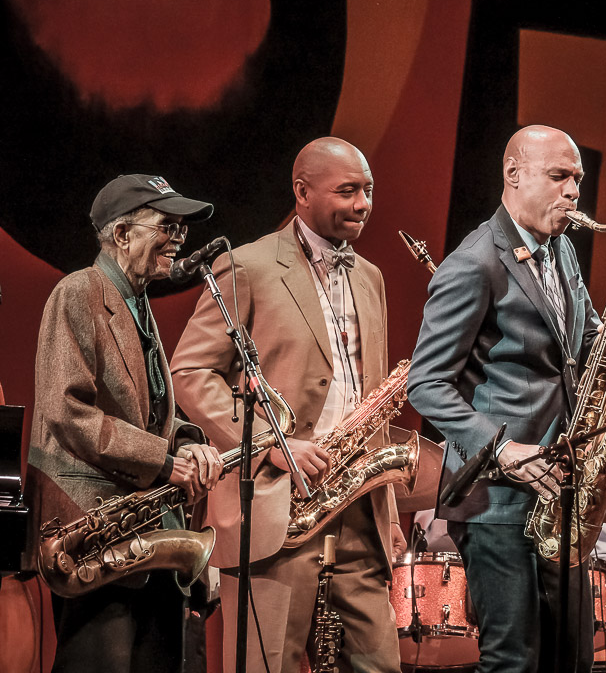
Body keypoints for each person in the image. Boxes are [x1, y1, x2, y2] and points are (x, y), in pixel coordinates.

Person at [407, 124, 606, 673]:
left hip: (560, 493)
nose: (573, 192)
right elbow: (426, 383)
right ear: (513, 175)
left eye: (577, 180)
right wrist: (502, 449)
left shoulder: (560, 250)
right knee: (513, 662)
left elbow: (577, 342)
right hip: (496, 498)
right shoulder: (473, 262)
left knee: (573, 658)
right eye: (559, 176)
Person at [171, 137, 402, 673]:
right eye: (347, 191)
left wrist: (385, 504)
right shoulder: (245, 266)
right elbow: (189, 371)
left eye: (368, 190)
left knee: (381, 664)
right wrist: (273, 444)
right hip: (276, 504)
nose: (363, 204)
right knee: (266, 664)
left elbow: (369, 394)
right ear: (302, 191)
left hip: (359, 506)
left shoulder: (372, 278)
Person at [28, 174, 223, 673]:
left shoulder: (137, 301)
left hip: (144, 532)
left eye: (183, 227)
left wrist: (186, 441)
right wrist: (165, 459)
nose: (180, 238)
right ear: (122, 235)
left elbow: (148, 408)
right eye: (167, 225)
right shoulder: (77, 292)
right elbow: (67, 412)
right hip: (93, 533)